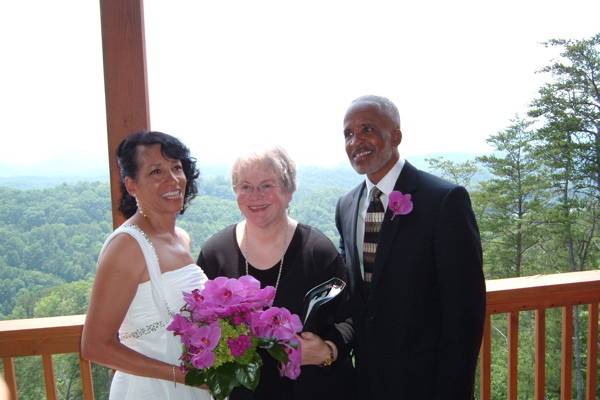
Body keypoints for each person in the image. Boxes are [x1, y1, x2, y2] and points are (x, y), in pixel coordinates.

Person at [335, 95, 486, 399]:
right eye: (348, 134)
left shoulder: (443, 201)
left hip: (428, 380)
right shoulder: (347, 206)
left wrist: (453, 388)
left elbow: (465, 309)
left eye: (367, 129)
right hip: (367, 379)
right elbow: (353, 291)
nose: (356, 141)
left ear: (396, 136)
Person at [198, 147, 356, 400]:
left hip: (313, 391)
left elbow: (349, 318)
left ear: (289, 190)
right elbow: (201, 324)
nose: (255, 196)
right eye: (245, 186)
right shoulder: (215, 253)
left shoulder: (317, 251)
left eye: (266, 185)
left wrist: (328, 351)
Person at [81, 131, 211, 399]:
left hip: (194, 387)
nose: (172, 179)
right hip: (151, 389)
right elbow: (95, 346)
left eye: (176, 167)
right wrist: (183, 376)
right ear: (131, 185)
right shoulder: (127, 246)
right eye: (156, 172)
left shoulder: (181, 238)